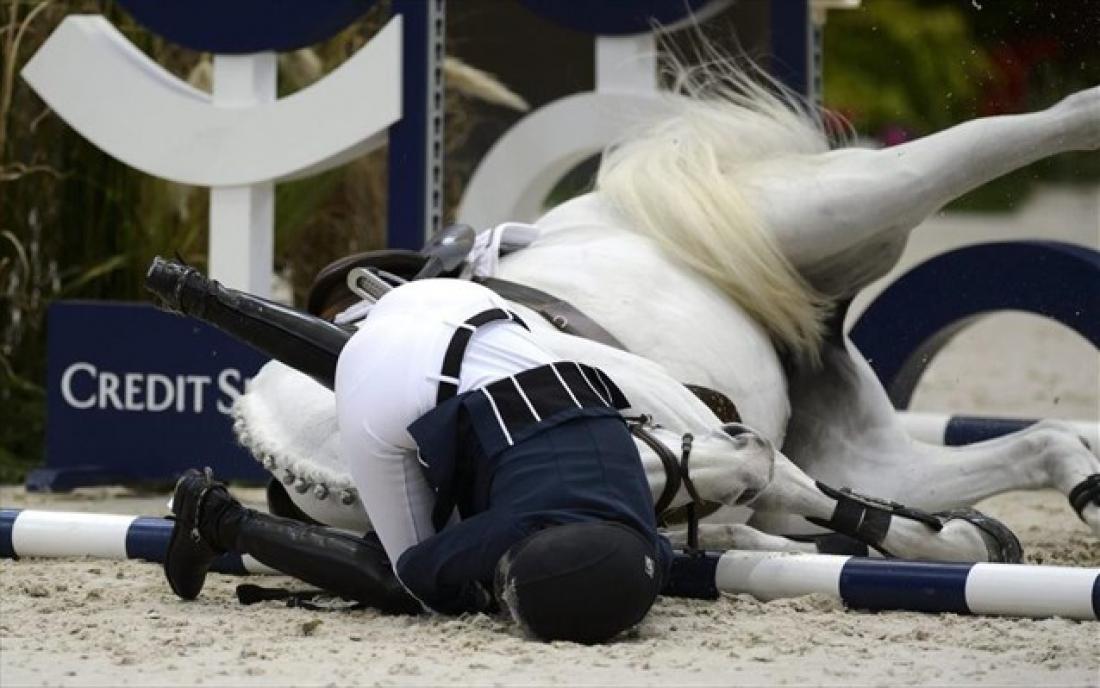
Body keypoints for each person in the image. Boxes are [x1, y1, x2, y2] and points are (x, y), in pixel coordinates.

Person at [145, 257, 672, 643]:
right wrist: (482, 588)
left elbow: (667, 562)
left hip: (461, 307)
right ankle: (216, 518)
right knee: (409, 587)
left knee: (415, 370)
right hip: (392, 383)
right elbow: (422, 568)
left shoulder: (645, 531)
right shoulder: (521, 525)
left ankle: (203, 295)